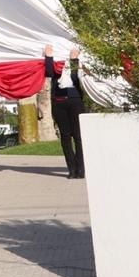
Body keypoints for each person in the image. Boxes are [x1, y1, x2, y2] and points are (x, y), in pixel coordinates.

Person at [45, 45, 86, 179]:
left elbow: (75, 78)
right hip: (58, 101)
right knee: (65, 136)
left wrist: (74, 60)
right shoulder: (56, 61)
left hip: (75, 100)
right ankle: (72, 168)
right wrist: (49, 57)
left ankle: (81, 168)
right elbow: (50, 73)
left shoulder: (74, 61)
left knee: (78, 135)